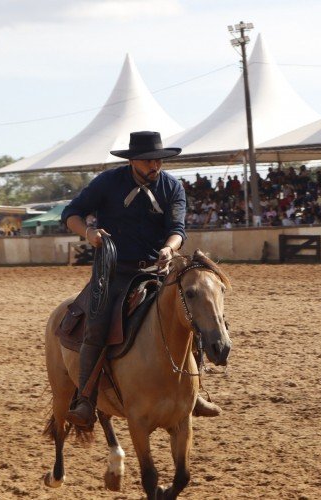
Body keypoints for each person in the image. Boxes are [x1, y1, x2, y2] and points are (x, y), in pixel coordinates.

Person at [60, 130, 221, 429]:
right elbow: (72, 213)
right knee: (97, 326)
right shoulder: (108, 182)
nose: (154, 166)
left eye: (158, 160)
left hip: (158, 269)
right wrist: (89, 233)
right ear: (133, 160)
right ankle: (85, 398)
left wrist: (169, 248)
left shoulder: (172, 187)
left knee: (190, 316)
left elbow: (177, 229)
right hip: (114, 271)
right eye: (148, 161)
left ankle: (195, 391)